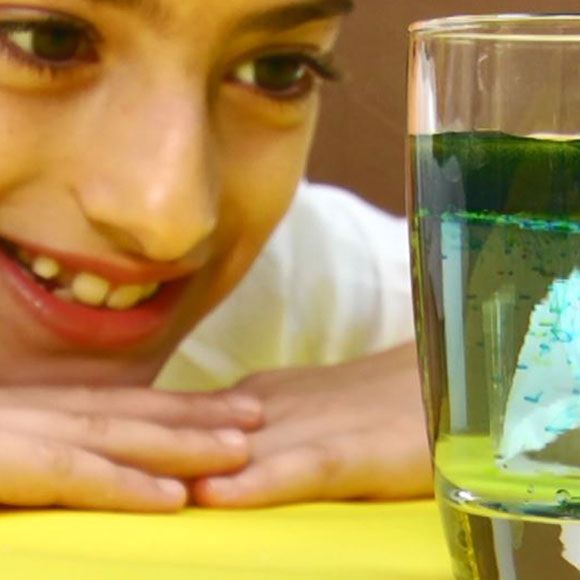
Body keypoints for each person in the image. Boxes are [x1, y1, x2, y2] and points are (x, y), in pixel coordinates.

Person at [0, 0, 431, 511]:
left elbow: (510, 331)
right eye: (49, 43)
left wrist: (491, 393)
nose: (169, 222)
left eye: (276, 70)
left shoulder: (289, 290)